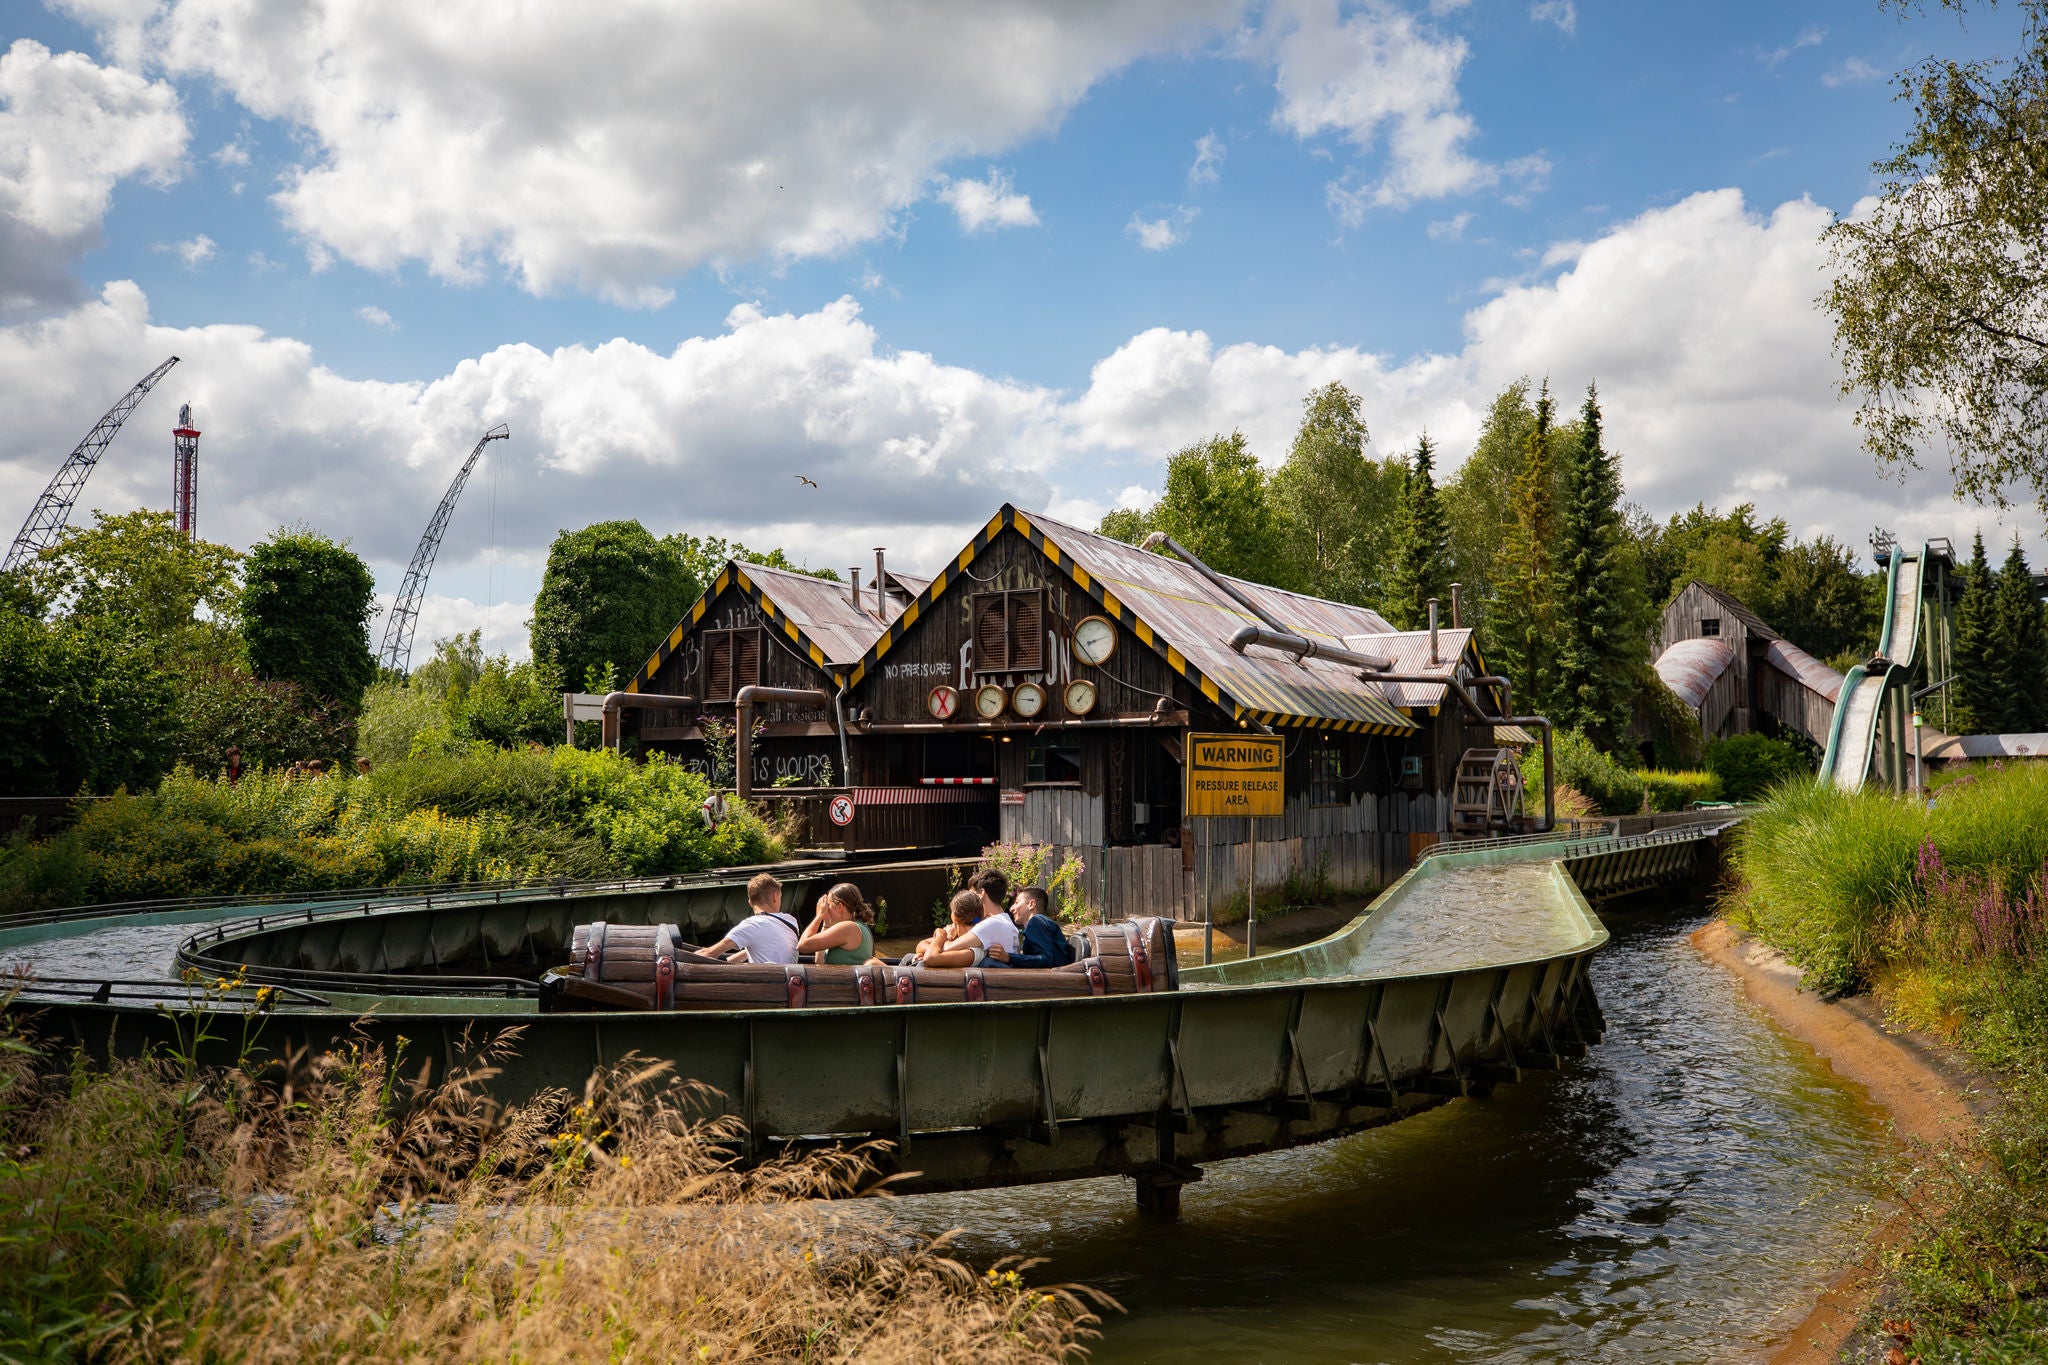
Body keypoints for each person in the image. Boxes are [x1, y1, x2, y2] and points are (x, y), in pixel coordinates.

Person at [698, 872, 800, 964]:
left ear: (750, 903)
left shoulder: (752, 925)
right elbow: (763, 945)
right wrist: (727, 961)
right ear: (775, 897)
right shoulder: (791, 920)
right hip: (790, 979)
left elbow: (710, 953)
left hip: (767, 982)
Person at [986, 886, 1074, 969]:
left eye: (1016, 902)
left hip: (1052, 980)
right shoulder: (1038, 924)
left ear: (1031, 904)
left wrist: (1008, 957)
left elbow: (1046, 960)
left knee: (987, 962)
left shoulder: (1036, 921)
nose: (1011, 908)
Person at [797, 882, 875, 965]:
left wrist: (819, 916)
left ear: (840, 907)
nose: (826, 909)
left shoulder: (848, 928)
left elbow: (803, 946)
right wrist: (826, 923)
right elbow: (819, 960)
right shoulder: (859, 926)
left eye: (829, 905)